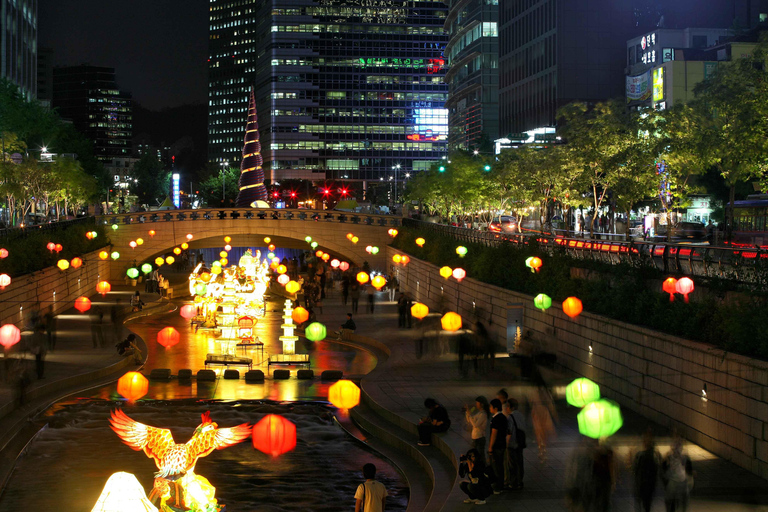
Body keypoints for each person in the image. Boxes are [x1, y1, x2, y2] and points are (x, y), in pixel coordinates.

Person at [633, 429, 661, 512]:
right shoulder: (654, 454)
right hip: (649, 484)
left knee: (641, 504)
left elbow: (635, 469)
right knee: (647, 505)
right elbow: (657, 469)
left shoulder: (640, 455)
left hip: (642, 484)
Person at [662, 439, 693, 512]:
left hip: (676, 482)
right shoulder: (673, 457)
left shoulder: (681, 458)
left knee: (671, 499)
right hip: (678, 482)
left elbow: (664, 469)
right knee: (678, 500)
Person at [505, 398, 526, 490]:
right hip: (520, 442)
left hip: (512, 443)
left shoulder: (510, 417)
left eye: (508, 406)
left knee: (512, 464)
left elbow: (509, 431)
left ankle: (513, 483)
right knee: (520, 463)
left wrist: (506, 443)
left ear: (511, 407)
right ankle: (520, 481)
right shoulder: (521, 415)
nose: (506, 408)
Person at [487, 398, 507, 493]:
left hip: (497, 446)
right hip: (502, 444)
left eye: (490, 407)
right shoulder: (503, 417)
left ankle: (498, 486)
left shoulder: (495, 419)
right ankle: (501, 484)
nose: (489, 408)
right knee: (500, 466)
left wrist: (490, 447)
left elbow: (494, 433)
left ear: (494, 408)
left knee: (496, 467)